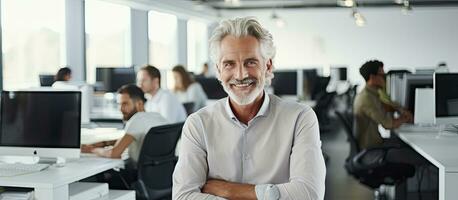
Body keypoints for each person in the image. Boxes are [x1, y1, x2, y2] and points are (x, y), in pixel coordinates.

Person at [172, 17, 326, 200]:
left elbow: (308, 194)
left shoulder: (300, 118)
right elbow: (183, 196)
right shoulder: (198, 124)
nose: (241, 74)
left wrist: (229, 191)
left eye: (250, 62)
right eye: (229, 64)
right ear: (219, 71)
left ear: (268, 66)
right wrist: (270, 194)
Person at [81, 84, 168, 163]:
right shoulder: (158, 117)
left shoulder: (137, 119)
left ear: (139, 104)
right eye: (119, 104)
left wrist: (92, 149)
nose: (121, 109)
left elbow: (114, 154)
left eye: (125, 104)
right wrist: (105, 143)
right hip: (159, 174)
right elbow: (131, 138)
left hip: (135, 175)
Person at [354, 60, 413, 149]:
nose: (385, 78)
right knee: (413, 154)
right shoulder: (367, 98)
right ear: (372, 77)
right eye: (382, 76)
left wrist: (399, 109)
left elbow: (388, 105)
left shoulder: (371, 94)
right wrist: (406, 118)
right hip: (372, 149)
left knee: (405, 146)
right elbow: (388, 125)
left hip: (375, 144)